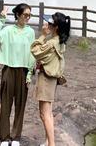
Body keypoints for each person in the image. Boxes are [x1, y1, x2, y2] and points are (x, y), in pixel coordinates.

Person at [0, 2, 36, 146]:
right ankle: (4, 137)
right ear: (17, 15)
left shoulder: (31, 32)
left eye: (29, 15)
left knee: (20, 105)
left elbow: (32, 54)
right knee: (6, 104)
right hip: (9, 70)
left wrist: (30, 73)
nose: (27, 18)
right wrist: (2, 19)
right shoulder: (8, 30)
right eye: (25, 15)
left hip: (23, 71)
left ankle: (16, 137)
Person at [31, 12, 71, 146]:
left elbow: (35, 51)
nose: (47, 25)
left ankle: (51, 144)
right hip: (51, 80)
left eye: (50, 23)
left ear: (56, 27)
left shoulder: (51, 43)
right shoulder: (60, 41)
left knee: (44, 114)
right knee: (48, 112)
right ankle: (48, 140)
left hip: (46, 79)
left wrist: (43, 35)